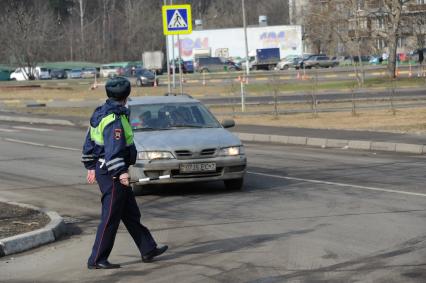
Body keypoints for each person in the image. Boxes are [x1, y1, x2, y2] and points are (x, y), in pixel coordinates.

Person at [81, 76, 168, 269]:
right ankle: (97, 260)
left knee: (130, 213)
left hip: (104, 169)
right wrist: (121, 173)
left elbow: (89, 141)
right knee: (110, 217)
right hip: (112, 173)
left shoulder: (101, 112)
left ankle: (148, 248)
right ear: (126, 96)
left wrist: (90, 166)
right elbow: (114, 150)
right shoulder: (114, 119)